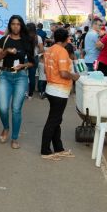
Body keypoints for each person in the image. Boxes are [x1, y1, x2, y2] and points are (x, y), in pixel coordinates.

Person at [0, 15, 34, 150]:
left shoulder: (27, 41)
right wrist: (6, 51)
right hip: (5, 76)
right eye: (13, 24)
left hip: (20, 77)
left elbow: (32, 62)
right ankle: (6, 127)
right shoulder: (4, 40)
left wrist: (23, 65)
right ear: (9, 25)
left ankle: (15, 137)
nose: (15, 26)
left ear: (21, 25)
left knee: (16, 109)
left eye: (18, 24)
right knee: (2, 107)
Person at [40, 28, 80, 161]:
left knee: (56, 120)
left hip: (51, 88)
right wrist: (74, 76)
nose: (69, 39)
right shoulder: (62, 51)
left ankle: (58, 148)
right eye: (68, 37)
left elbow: (46, 71)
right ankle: (45, 150)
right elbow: (63, 73)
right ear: (65, 39)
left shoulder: (49, 50)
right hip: (59, 90)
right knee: (53, 121)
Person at [26, 22, 44, 98]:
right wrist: (36, 52)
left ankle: (23, 92)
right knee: (32, 76)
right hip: (34, 58)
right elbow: (42, 49)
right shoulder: (38, 37)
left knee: (22, 76)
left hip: (24, 58)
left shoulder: (23, 36)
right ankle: (30, 94)